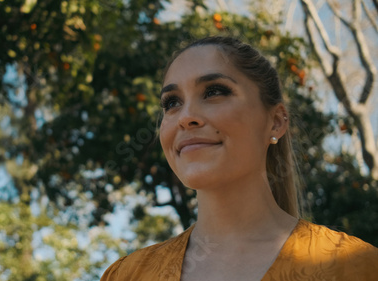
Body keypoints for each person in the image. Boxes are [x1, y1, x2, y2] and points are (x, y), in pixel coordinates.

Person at [100, 36, 378, 281]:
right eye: (172, 102)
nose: (185, 117)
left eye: (214, 92)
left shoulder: (358, 267)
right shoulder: (127, 275)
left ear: (276, 121)